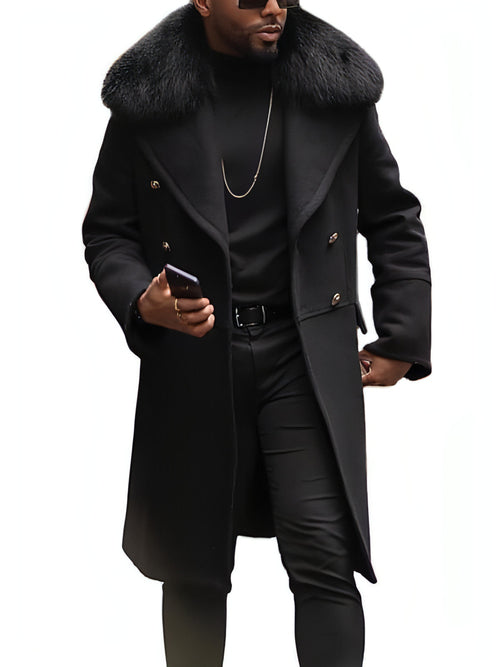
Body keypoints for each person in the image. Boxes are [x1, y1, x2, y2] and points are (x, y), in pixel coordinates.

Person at [82, 1, 431, 665]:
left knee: (325, 555)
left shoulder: (337, 87)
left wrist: (402, 336)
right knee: (194, 567)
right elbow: (108, 232)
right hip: (195, 357)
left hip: (305, 354)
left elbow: (392, 216)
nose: (274, 7)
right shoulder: (146, 97)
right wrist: (141, 300)